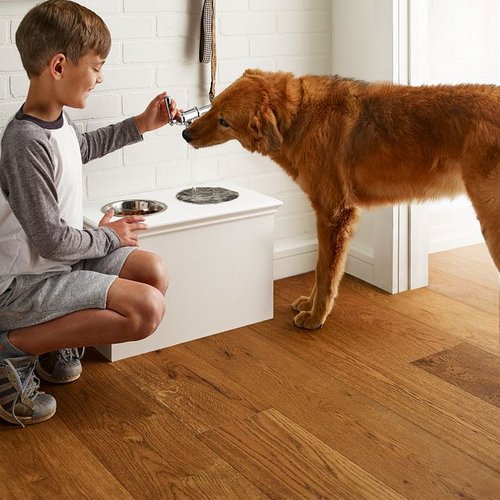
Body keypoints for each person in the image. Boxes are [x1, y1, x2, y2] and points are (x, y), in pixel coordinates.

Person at [0, 0, 179, 426]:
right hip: (21, 285)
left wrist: (140, 124)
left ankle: (52, 345)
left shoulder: (56, 121)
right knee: (145, 310)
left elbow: (82, 149)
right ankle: (11, 351)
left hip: (57, 263)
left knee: (154, 271)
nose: (101, 77)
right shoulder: (23, 141)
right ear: (59, 66)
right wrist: (109, 236)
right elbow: (51, 240)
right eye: (96, 66)